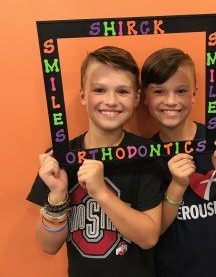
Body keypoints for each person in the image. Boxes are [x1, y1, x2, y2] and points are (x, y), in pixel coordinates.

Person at [27, 46, 163, 277]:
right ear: (83, 95)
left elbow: (149, 237)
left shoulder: (147, 153)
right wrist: (58, 195)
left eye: (122, 91)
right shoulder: (60, 157)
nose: (110, 100)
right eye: (99, 90)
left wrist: (101, 193)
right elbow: (47, 246)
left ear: (137, 97)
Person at [141, 48, 216, 277]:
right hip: (171, 271)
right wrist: (177, 185)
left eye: (181, 91)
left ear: (194, 94)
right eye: (159, 91)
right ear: (145, 96)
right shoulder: (145, 153)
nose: (171, 101)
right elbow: (156, 229)